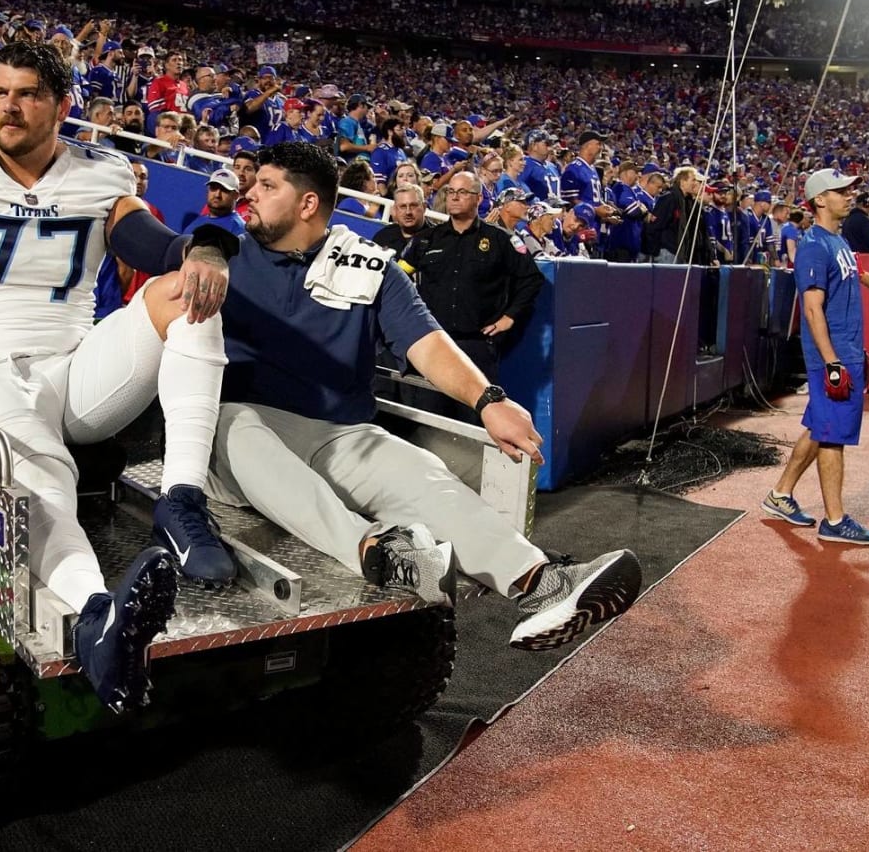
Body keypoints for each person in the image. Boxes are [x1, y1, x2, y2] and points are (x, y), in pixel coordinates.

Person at [0, 42, 237, 710]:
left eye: (27, 93)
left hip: (75, 369)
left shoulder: (98, 173)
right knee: (40, 468)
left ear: (61, 106)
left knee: (191, 294)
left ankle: (181, 501)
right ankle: (95, 619)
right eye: (1, 92)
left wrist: (200, 249)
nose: (9, 106)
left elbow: (148, 241)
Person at [204, 142, 640, 646]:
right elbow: (140, 237)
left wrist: (489, 401)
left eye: (266, 185)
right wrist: (199, 252)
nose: (249, 192)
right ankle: (379, 551)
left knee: (422, 474)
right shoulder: (220, 248)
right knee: (234, 425)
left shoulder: (369, 265)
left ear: (307, 205)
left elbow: (426, 342)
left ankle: (541, 582)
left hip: (338, 433)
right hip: (241, 430)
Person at [760, 169, 869, 546]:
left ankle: (780, 495)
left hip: (846, 353)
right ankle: (835, 520)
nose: (850, 195)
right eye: (840, 190)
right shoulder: (814, 244)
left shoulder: (839, 241)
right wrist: (832, 362)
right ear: (819, 200)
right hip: (833, 358)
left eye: (849, 189)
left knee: (820, 429)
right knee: (832, 438)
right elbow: (812, 309)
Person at [400, 171, 544, 382]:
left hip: (477, 346)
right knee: (429, 410)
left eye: (462, 192)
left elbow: (531, 279)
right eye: (450, 192)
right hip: (433, 342)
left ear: (479, 198)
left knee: (471, 413)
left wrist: (509, 317)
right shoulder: (426, 240)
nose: (455, 197)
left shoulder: (501, 239)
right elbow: (399, 276)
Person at [185, 170, 246, 235]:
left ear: (236, 196)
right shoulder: (198, 221)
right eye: (213, 188)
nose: (217, 195)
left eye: (224, 190)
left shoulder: (239, 228)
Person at [372, 184, 427, 253]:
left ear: (424, 207)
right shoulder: (383, 236)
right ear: (395, 210)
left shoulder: (437, 239)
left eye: (413, 206)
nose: (408, 212)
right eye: (403, 206)